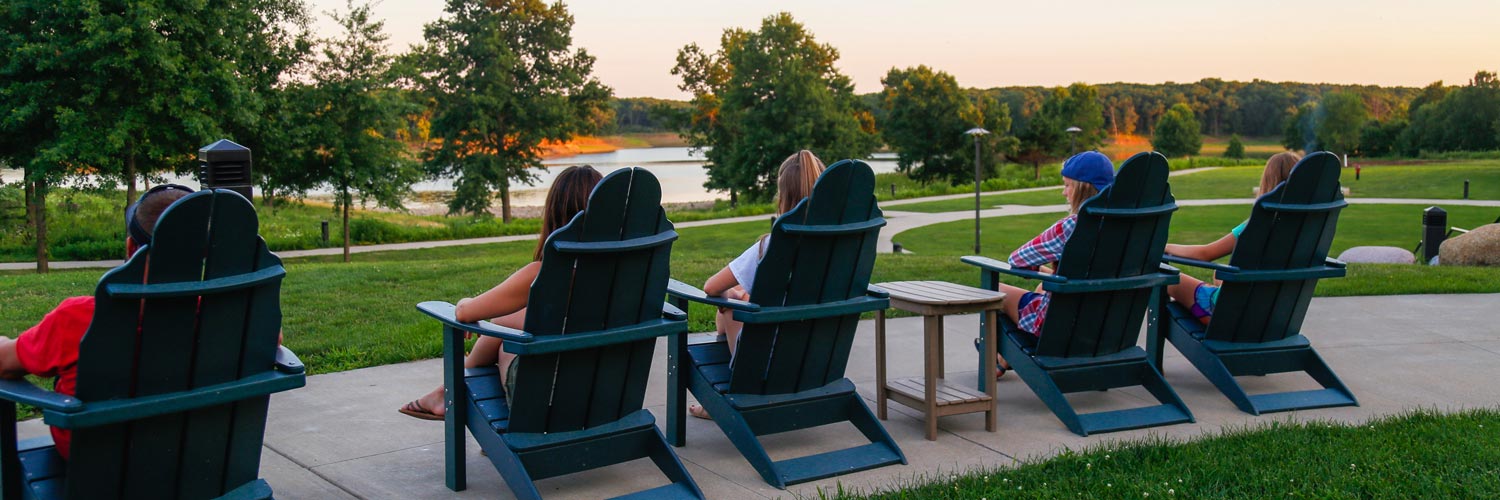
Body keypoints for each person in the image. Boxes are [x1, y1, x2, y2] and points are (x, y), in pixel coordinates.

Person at [0, 184, 194, 460]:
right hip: (190, 461)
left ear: (130, 247)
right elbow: (274, 341)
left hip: (95, 472)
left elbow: (4, 365)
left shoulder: (80, 318)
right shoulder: (229, 315)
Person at [401, 165, 603, 420]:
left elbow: (465, 313)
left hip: (549, 402)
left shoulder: (544, 273)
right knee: (508, 326)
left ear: (553, 214)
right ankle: (444, 393)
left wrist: (466, 303)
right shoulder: (624, 274)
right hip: (606, 393)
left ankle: (449, 394)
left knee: (508, 344)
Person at [689, 150, 824, 419]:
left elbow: (711, 287)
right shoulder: (839, 251)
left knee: (727, 306)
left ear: (783, 197)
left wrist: (736, 297)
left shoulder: (770, 246)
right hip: (817, 360)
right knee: (739, 301)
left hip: (765, 365)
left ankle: (725, 400)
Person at [985, 151, 1116, 378]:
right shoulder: (1127, 231)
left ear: (1082, 189)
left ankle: (1000, 354)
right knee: (1042, 286)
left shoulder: (1071, 227)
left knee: (993, 290)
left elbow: (1016, 259)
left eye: (1067, 186)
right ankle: (1004, 359)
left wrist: (1036, 267)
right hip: (1108, 327)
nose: (1064, 192)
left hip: (1061, 329)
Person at [1163, 151, 1301, 325]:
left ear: (1267, 183)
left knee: (1168, 278)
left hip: (1226, 316)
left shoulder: (1255, 226)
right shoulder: (1305, 231)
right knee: (1220, 274)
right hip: (1274, 318)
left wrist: (1166, 247)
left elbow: (1205, 254)